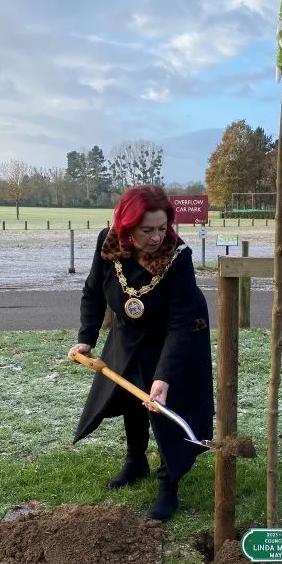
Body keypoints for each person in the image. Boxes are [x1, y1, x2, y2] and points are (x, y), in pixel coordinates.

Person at [68, 185, 214, 522]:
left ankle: (169, 484)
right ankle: (136, 461)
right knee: (128, 392)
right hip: (129, 332)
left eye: (162, 228)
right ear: (127, 226)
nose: (155, 237)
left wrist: (163, 377)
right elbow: (93, 291)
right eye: (147, 230)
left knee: (163, 405)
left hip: (177, 335)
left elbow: (180, 324)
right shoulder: (109, 243)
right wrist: (86, 339)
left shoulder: (178, 257)